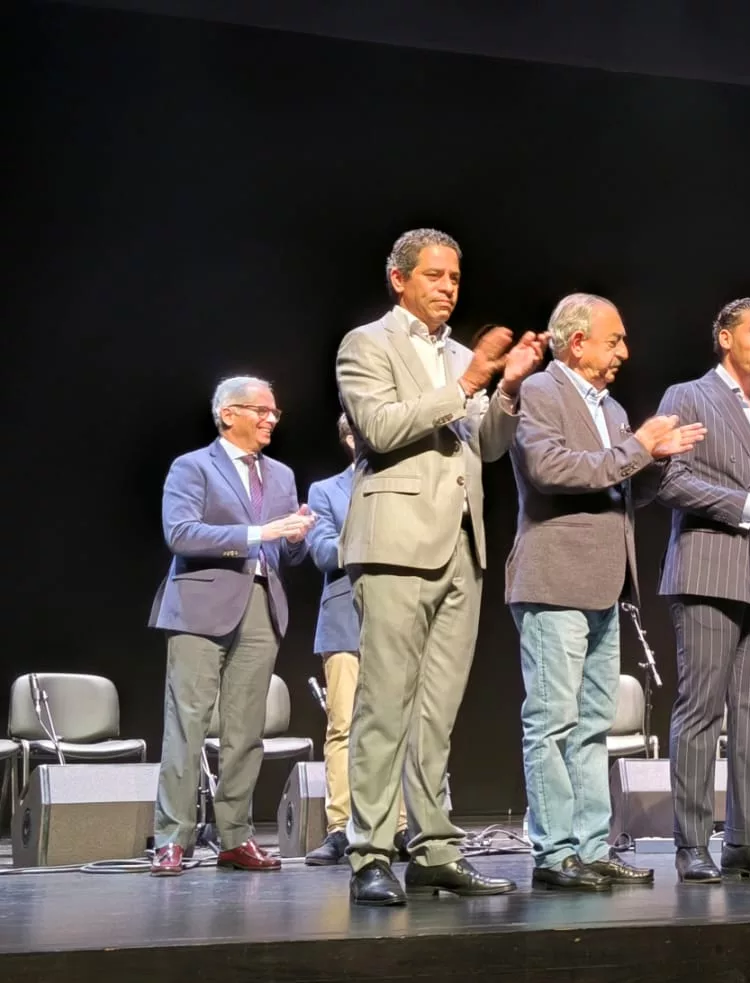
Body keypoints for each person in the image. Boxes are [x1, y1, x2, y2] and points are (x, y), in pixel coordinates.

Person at [335, 228, 547, 906]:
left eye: (455, 276)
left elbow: (488, 445)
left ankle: (433, 849)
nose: (448, 287)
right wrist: (469, 382)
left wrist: (508, 388)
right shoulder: (366, 344)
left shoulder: (461, 356)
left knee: (437, 712)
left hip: (462, 545)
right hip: (395, 542)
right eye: (434, 275)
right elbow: (379, 428)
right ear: (399, 279)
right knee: (384, 704)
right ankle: (371, 852)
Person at [507, 294, 704, 891]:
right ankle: (553, 852)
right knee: (553, 722)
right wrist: (639, 447)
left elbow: (620, 484)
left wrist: (655, 462)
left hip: (605, 584)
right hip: (554, 578)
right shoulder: (541, 391)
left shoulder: (611, 407)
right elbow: (551, 470)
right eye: (614, 340)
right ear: (576, 343)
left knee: (595, 723)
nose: (625, 351)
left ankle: (591, 847)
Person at [654, 298, 750, 885]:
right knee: (701, 709)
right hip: (707, 570)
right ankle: (692, 844)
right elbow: (671, 480)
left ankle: (747, 842)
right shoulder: (688, 397)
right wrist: (748, 505)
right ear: (724, 337)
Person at [148, 376, 313, 875]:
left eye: (275, 412)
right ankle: (172, 838)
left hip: (261, 605)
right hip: (200, 605)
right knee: (188, 723)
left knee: (246, 730)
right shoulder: (193, 466)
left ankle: (235, 837)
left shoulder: (281, 475)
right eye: (261, 410)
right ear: (228, 414)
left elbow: (287, 552)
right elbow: (180, 534)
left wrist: (296, 538)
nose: (270, 419)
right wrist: (258, 532)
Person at [303, 414, 407, 866]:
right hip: (345, 617)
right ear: (350, 440)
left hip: (397, 616)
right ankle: (340, 827)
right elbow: (324, 552)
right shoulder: (325, 491)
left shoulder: (402, 484)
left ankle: (397, 825)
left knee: (394, 724)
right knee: (344, 725)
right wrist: (370, 530)